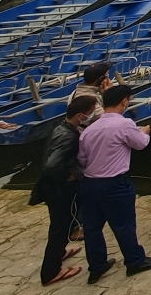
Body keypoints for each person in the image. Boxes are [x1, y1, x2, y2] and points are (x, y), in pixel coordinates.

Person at [76, 85, 151, 284]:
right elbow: (140, 143)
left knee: (92, 227)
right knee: (123, 225)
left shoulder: (90, 129)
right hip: (114, 184)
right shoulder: (123, 124)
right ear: (124, 101)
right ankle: (135, 261)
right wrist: (145, 131)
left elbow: (82, 158)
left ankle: (96, 266)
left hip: (90, 184)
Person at [31, 95, 96, 285]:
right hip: (59, 190)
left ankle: (60, 252)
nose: (92, 115)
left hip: (52, 188)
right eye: (91, 112)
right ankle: (50, 272)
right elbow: (51, 165)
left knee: (63, 223)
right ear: (80, 115)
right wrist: (69, 176)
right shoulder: (68, 136)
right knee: (60, 228)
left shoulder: (60, 128)